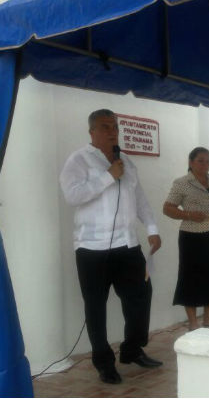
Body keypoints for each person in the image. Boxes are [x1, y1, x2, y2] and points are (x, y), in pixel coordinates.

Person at [59, 109, 162, 385]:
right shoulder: (78, 160)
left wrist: (152, 229)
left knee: (141, 295)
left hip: (128, 245)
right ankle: (104, 363)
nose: (112, 131)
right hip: (92, 248)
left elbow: (139, 199)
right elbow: (72, 195)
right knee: (96, 307)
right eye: (105, 127)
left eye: (114, 126)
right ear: (92, 132)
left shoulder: (126, 161)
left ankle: (131, 349)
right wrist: (107, 176)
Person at [163, 147, 209, 331]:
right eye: (201, 160)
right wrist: (188, 214)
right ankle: (193, 324)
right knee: (191, 277)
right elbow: (168, 208)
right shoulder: (181, 183)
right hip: (191, 237)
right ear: (191, 162)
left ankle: (208, 321)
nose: (205, 165)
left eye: (208, 161)